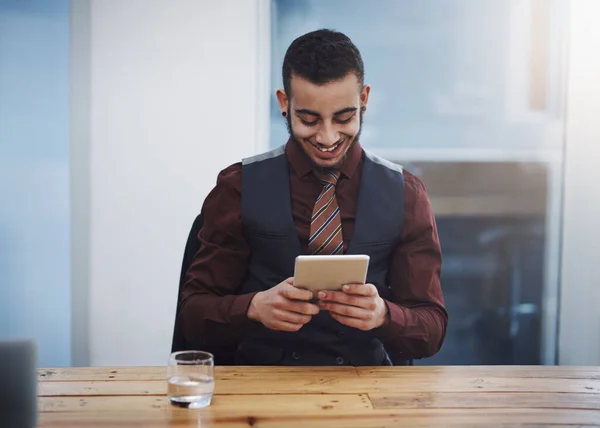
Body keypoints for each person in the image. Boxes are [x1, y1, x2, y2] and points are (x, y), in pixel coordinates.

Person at [179, 29, 447, 366]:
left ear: (364, 99)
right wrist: (252, 308)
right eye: (308, 119)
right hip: (262, 387)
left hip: (366, 388)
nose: (327, 137)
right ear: (284, 103)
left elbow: (432, 328)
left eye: (344, 117)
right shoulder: (238, 187)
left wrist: (383, 315)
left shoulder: (406, 194)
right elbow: (193, 314)